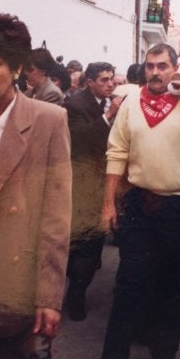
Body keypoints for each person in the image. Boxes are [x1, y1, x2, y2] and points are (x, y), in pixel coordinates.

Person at [88, 42, 180, 359]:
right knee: (129, 283)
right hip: (141, 204)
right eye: (150, 66)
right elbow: (116, 152)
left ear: (176, 67)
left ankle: (164, 353)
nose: (156, 73)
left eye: (163, 66)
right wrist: (108, 204)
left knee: (174, 284)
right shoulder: (132, 102)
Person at [0, 13, 71, 359]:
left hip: (7, 290)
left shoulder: (47, 121)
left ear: (18, 68)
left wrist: (49, 296)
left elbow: (56, 217)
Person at [64, 61, 122, 320]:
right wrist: (107, 117)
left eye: (112, 79)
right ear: (89, 82)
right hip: (81, 184)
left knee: (93, 243)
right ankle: (75, 293)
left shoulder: (115, 103)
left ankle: (78, 284)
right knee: (82, 245)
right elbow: (79, 139)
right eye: (104, 80)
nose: (110, 84)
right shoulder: (75, 105)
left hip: (105, 183)